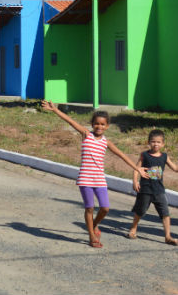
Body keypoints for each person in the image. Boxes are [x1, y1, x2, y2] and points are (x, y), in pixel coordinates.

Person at [41, 101, 147, 249]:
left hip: (99, 179)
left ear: (107, 126)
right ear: (92, 124)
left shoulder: (106, 142)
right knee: (89, 208)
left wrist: (137, 168)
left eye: (103, 124)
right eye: (96, 124)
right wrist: (55, 110)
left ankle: (93, 225)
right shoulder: (86, 134)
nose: (99, 127)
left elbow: (122, 155)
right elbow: (70, 121)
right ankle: (91, 236)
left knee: (105, 208)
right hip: (85, 178)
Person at [127, 129, 178, 245]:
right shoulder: (145, 155)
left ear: (163, 144)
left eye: (158, 142)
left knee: (165, 213)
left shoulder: (164, 156)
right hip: (145, 189)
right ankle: (133, 229)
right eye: (153, 141)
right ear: (148, 142)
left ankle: (168, 236)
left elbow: (176, 168)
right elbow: (137, 169)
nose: (155, 144)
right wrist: (135, 181)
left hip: (159, 190)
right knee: (140, 210)